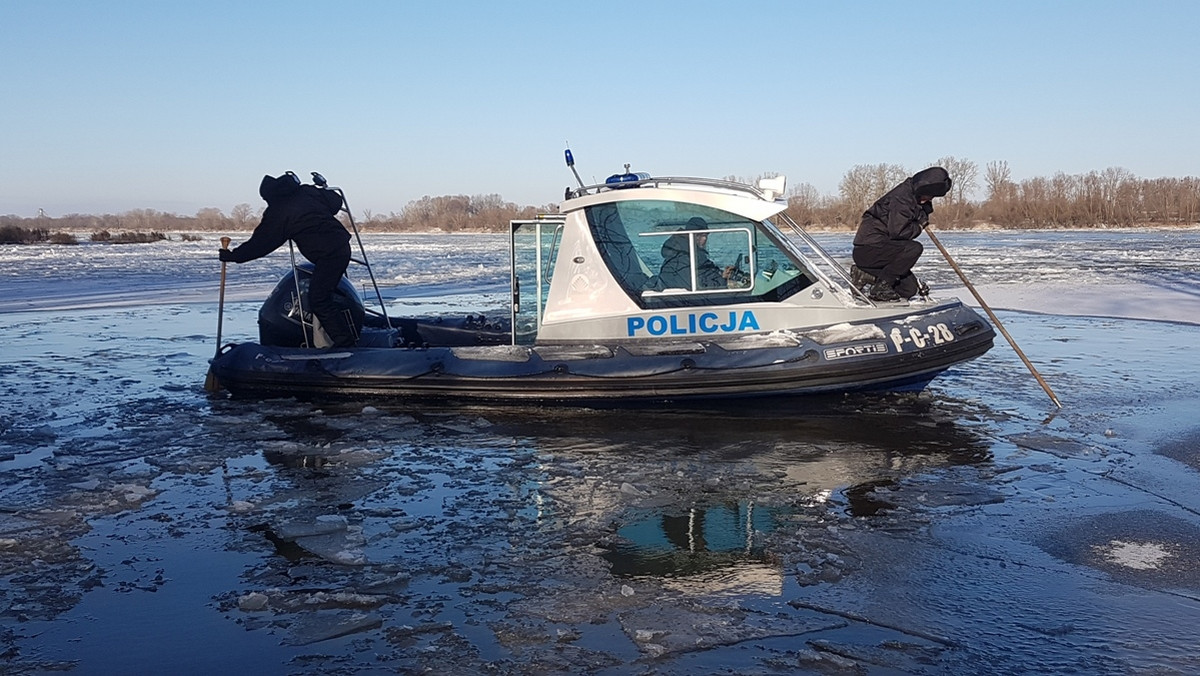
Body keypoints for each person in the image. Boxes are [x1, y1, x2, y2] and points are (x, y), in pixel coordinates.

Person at [219, 172, 357, 347]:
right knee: (327, 294)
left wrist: (234, 256)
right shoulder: (306, 192)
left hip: (330, 255)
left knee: (319, 298)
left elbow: (262, 243)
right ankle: (333, 337)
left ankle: (345, 343)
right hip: (340, 246)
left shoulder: (279, 212)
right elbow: (335, 201)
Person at [852, 166, 952, 301]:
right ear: (922, 190)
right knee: (914, 248)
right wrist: (918, 226)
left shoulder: (913, 195)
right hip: (869, 249)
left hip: (883, 250)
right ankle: (881, 287)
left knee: (908, 289)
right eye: (929, 196)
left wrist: (923, 212)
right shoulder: (901, 199)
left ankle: (864, 274)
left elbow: (914, 213)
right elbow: (899, 232)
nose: (929, 199)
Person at [658, 217, 737, 290]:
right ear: (694, 236)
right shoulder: (682, 258)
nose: (705, 239)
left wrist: (722, 274)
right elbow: (699, 287)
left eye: (706, 235)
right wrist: (724, 282)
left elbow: (705, 273)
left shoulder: (693, 254)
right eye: (703, 235)